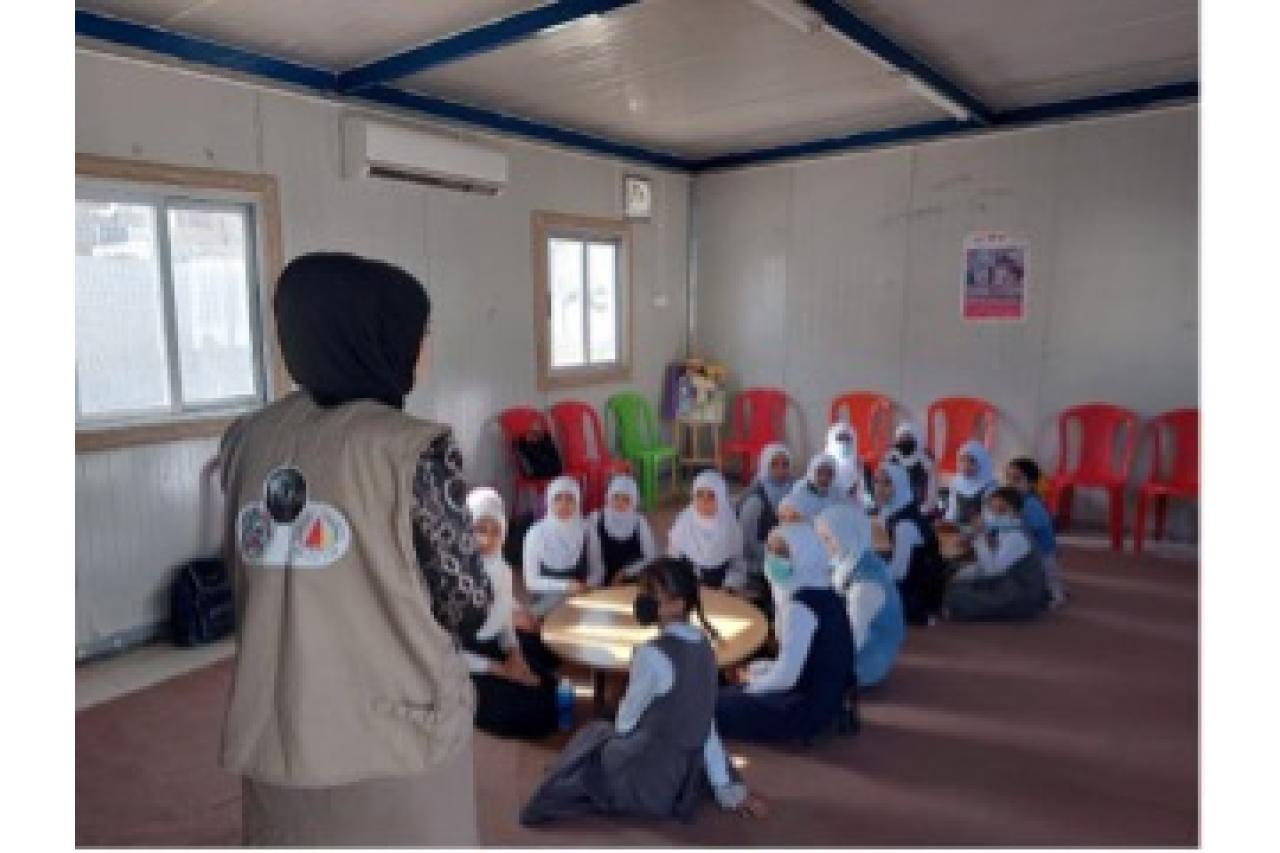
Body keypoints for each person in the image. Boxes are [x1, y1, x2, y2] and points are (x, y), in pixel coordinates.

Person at [219, 252, 489, 845]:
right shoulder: (413, 450)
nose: (426, 344)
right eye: (422, 329)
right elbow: (465, 604)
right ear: (381, 336)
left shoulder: (247, 438)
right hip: (392, 741)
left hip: (276, 732)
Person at [521, 558, 768, 826]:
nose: (642, 601)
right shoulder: (705, 646)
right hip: (681, 774)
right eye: (643, 593)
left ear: (678, 604)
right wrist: (725, 787)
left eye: (651, 596)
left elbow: (625, 723)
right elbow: (704, 721)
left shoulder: (652, 655)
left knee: (595, 733)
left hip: (645, 774)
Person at [715, 523, 856, 743]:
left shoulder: (799, 607)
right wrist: (761, 673)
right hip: (831, 698)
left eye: (781, 552)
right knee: (744, 680)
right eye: (770, 550)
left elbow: (786, 677)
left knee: (712, 706)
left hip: (806, 708)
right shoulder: (826, 593)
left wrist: (750, 689)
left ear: (803, 555)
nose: (772, 558)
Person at [463, 487, 559, 739]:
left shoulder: (502, 570)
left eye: (496, 531)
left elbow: (505, 621)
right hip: (464, 663)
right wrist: (501, 669)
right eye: (479, 529)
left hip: (492, 645)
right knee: (533, 712)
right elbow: (446, 652)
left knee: (548, 685)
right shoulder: (455, 579)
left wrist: (516, 656)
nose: (487, 539)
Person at [816, 504, 905, 690]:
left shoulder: (866, 585)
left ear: (846, 536)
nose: (821, 545)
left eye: (827, 539)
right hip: (859, 640)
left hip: (866, 662)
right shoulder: (855, 557)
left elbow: (852, 640)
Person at [943, 487, 1047, 621]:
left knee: (957, 594)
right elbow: (991, 548)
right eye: (992, 510)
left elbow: (991, 571)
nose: (995, 515)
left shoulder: (1017, 536)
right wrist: (974, 535)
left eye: (1002, 510)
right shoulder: (1008, 528)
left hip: (1020, 594)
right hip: (1007, 583)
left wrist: (979, 536)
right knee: (957, 582)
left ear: (1017, 512)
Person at [873, 463, 948, 625]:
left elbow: (899, 571)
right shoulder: (899, 509)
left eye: (887, 483)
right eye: (877, 481)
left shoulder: (904, 525)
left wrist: (872, 578)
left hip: (917, 589)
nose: (879, 488)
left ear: (900, 485)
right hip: (915, 577)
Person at [523, 476, 601, 619]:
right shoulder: (535, 534)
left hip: (581, 599)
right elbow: (531, 582)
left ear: (578, 502)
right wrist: (565, 587)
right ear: (549, 502)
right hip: (547, 604)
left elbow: (597, 571)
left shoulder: (588, 531)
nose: (564, 504)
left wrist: (585, 586)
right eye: (557, 498)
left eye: (570, 498)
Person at [667, 470, 746, 590]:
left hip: (721, 591)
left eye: (711, 496)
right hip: (688, 589)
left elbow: (737, 565)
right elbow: (673, 561)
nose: (705, 501)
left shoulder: (731, 527)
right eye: (699, 495)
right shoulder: (683, 524)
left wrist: (730, 585)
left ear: (721, 498)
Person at [1005, 456, 1066, 608]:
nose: (1011, 483)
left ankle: (1058, 596)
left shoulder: (1031, 503)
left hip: (1043, 551)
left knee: (1049, 576)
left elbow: (1032, 527)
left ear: (1031, 483)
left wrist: (1014, 521)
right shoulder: (1019, 500)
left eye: (1017, 479)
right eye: (1009, 478)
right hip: (1030, 548)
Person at [736, 443, 795, 580]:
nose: (780, 470)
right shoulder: (756, 500)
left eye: (785, 465)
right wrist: (778, 553)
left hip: (789, 553)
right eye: (774, 465)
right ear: (764, 465)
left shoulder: (794, 488)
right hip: (760, 561)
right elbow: (747, 542)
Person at [587, 474, 657, 585]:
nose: (619, 503)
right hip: (600, 579)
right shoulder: (596, 519)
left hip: (632, 578)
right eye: (616, 497)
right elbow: (591, 556)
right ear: (609, 497)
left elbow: (650, 556)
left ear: (633, 501)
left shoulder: (639, 522)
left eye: (626, 499)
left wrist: (625, 573)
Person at [884, 422, 936, 510]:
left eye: (908, 438)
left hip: (919, 505)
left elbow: (932, 484)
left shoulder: (925, 458)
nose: (904, 442)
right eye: (902, 439)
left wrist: (927, 505)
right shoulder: (892, 456)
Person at [946, 440, 998, 525]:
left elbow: (991, 515)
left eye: (972, 461)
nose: (966, 465)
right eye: (962, 460)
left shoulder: (990, 484)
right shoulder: (956, 481)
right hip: (957, 530)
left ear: (982, 462)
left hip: (981, 532)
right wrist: (947, 523)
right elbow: (952, 508)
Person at [786, 453, 842, 520]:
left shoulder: (837, 492)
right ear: (812, 472)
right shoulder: (801, 490)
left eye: (829, 474)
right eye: (820, 473)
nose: (824, 478)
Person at [825, 422, 866, 503]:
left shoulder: (861, 466)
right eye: (840, 439)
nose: (844, 443)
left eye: (847, 439)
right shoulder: (822, 466)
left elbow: (868, 499)